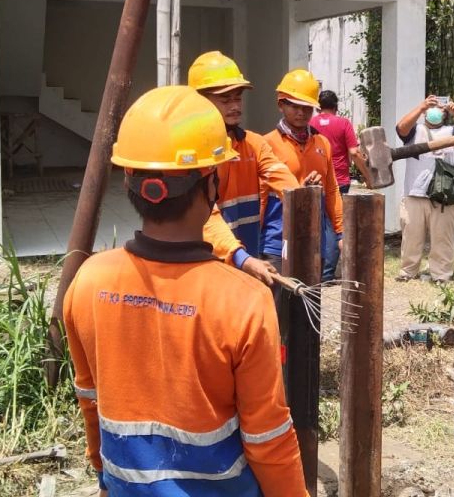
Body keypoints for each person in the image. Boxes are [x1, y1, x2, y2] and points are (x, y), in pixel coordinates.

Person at [63, 86, 307, 495]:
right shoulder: (243, 301)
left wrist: (104, 478)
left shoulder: (88, 281)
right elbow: (268, 439)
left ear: (128, 179)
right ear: (213, 182)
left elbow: (91, 402)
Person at [189, 51, 299, 274]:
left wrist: (302, 196)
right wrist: (241, 258)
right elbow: (202, 213)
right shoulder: (191, 155)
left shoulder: (253, 144)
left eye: (237, 98)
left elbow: (281, 177)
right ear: (200, 101)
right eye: (225, 99)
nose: (234, 105)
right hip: (207, 264)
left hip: (245, 261)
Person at [264, 69, 344, 282]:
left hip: (313, 240)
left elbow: (332, 190)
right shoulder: (266, 144)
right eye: (294, 106)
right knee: (279, 307)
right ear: (281, 104)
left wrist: (341, 232)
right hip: (276, 241)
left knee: (309, 307)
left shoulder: (322, 143)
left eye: (307, 107)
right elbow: (261, 197)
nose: (301, 112)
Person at [394, 96, 454, 284]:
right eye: (432, 106)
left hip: (444, 196)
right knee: (411, 236)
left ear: (445, 113)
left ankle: (441, 274)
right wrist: (421, 107)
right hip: (414, 193)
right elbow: (401, 127)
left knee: (443, 237)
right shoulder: (415, 130)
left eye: (440, 107)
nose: (436, 110)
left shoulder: (452, 131)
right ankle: (407, 271)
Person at [310, 90, 370, 193]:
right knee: (338, 209)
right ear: (335, 106)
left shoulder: (310, 124)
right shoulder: (344, 123)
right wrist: (368, 177)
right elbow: (354, 152)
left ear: (319, 106)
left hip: (316, 180)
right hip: (340, 181)